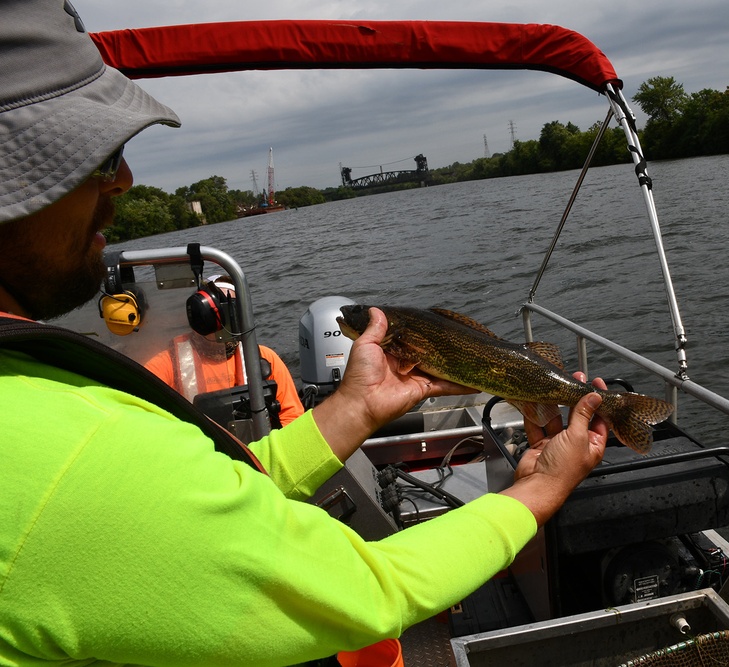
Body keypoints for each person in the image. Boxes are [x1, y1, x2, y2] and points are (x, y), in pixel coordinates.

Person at [0, 1, 608, 664]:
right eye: (92, 156)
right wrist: (541, 487)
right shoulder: (71, 458)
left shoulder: (34, 400)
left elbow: (227, 486)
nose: (124, 178)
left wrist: (353, 408)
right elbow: (367, 592)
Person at [144, 274, 306, 427]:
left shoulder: (263, 359)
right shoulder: (168, 363)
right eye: (223, 308)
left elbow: (291, 416)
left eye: (234, 309)